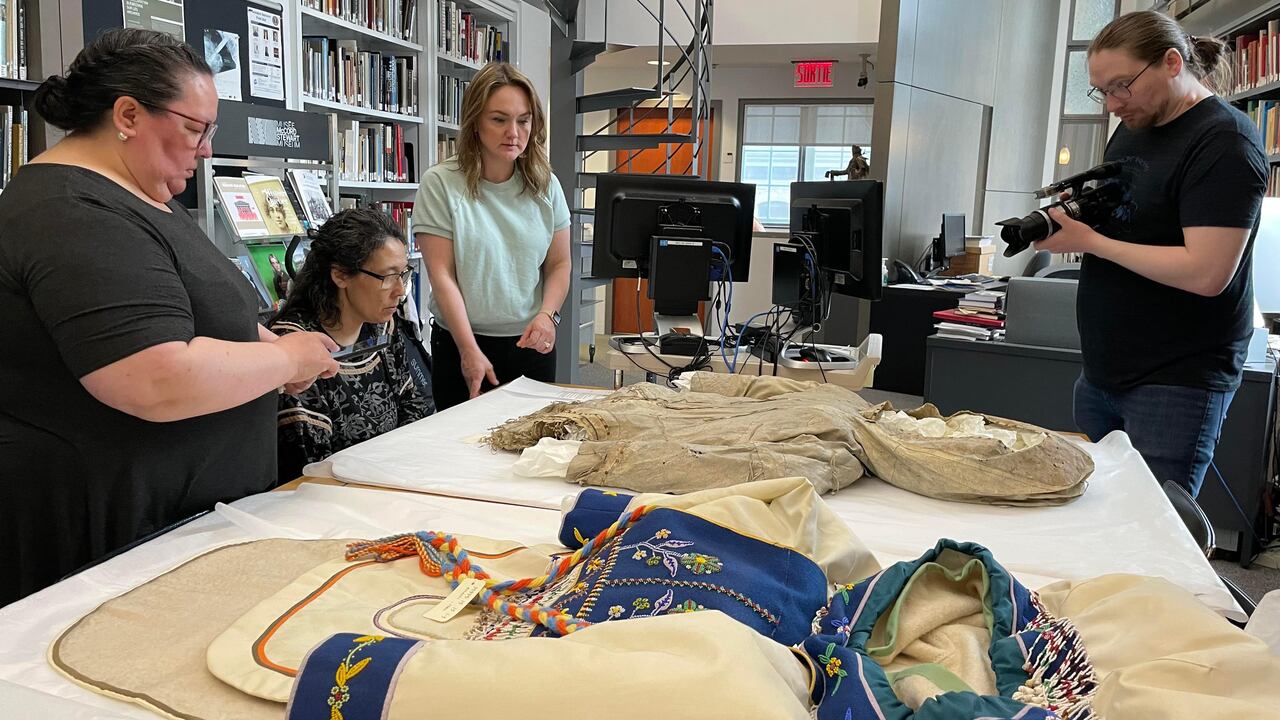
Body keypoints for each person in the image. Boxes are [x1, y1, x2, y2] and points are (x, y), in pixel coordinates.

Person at [0, 28, 339, 605]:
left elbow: (200, 311)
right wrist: (282, 356)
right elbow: (153, 376)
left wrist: (266, 354)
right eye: (194, 129)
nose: (206, 149)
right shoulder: (70, 211)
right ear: (128, 114)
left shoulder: (143, 194)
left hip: (182, 528)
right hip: (114, 545)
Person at [1035, 11, 1266, 497]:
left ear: (1171, 62)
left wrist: (1090, 242)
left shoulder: (1224, 142)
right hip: (1104, 369)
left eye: (1123, 86)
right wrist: (1071, 223)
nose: (1114, 104)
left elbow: (1206, 273)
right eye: (1103, 91)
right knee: (1097, 515)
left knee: (1155, 534)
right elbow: (1133, 218)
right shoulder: (1136, 124)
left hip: (1176, 379)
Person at [414, 62, 571, 411]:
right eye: (499, 119)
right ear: (475, 123)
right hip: (461, 342)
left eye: (523, 120)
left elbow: (559, 263)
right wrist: (469, 350)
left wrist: (548, 315)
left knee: (531, 453)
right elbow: (442, 277)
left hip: (531, 344)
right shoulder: (440, 183)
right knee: (462, 454)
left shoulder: (547, 185)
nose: (513, 132)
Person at [271, 208, 431, 481]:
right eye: (387, 276)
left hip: (390, 483)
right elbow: (310, 465)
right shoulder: (294, 347)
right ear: (341, 275)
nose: (400, 291)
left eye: (402, 274)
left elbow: (414, 412)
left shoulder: (384, 326)